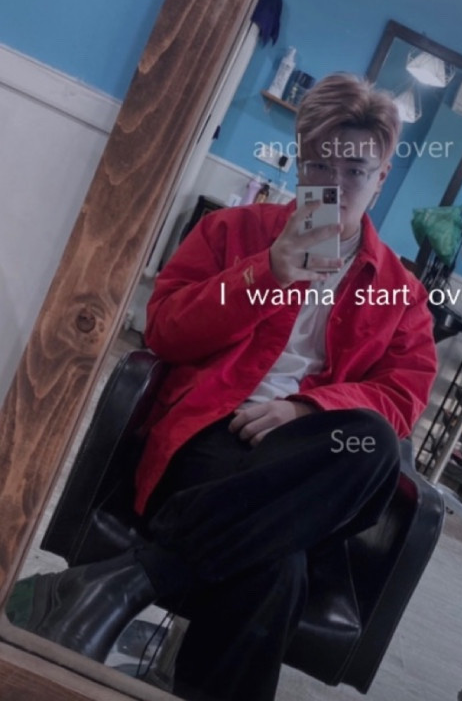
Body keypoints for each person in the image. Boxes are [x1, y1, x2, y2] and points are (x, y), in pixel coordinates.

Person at [14, 73, 437, 701]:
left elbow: (402, 397)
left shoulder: (402, 292)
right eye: (321, 165)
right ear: (300, 164)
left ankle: (127, 579)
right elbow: (165, 331)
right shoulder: (232, 233)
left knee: (371, 442)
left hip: (309, 457)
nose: (337, 185)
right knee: (277, 569)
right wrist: (264, 273)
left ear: (381, 179)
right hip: (212, 435)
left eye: (356, 171)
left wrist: (307, 407)